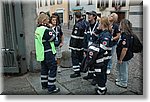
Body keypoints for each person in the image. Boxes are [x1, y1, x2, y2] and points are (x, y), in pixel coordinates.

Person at [35, 13, 60, 93]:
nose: (49, 21)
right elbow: (53, 37)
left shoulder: (37, 30)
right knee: (53, 68)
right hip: (48, 52)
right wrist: (51, 29)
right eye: (47, 20)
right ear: (44, 21)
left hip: (42, 53)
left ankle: (44, 85)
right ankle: (51, 87)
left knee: (44, 70)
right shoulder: (45, 29)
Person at [94, 16, 112, 95]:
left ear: (103, 24)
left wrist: (94, 50)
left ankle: (101, 90)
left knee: (100, 73)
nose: (98, 25)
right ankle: (102, 87)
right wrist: (97, 29)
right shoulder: (103, 32)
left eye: (100, 23)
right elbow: (94, 36)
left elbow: (103, 47)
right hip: (102, 57)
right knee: (102, 73)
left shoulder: (106, 34)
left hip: (103, 58)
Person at [69, 12, 88, 78]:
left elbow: (75, 37)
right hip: (82, 45)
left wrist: (72, 46)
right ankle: (82, 68)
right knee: (81, 57)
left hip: (76, 45)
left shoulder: (77, 25)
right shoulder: (86, 23)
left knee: (75, 58)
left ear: (75, 17)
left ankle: (77, 72)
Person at [115, 19, 134, 88]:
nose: (119, 25)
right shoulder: (127, 34)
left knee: (123, 70)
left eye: (120, 24)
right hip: (123, 56)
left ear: (123, 25)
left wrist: (120, 59)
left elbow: (124, 49)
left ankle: (123, 83)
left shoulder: (125, 35)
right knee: (119, 68)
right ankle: (120, 79)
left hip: (124, 57)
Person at [83, 11, 99, 85]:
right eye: (88, 15)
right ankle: (90, 75)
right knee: (89, 61)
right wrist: (84, 49)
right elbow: (85, 38)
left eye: (90, 15)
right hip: (89, 47)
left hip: (96, 48)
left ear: (94, 16)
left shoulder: (98, 26)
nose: (88, 16)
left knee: (96, 63)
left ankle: (95, 78)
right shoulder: (87, 26)